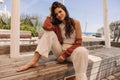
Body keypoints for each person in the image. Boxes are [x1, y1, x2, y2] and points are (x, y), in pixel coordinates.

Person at [17, 1, 89, 80]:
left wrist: (65, 55)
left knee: (82, 51)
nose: (58, 15)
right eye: (56, 14)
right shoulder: (57, 25)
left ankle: (80, 78)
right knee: (49, 33)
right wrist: (50, 14)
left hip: (72, 53)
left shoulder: (75, 22)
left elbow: (78, 43)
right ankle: (34, 61)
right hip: (60, 51)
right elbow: (45, 27)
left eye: (60, 11)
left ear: (65, 10)